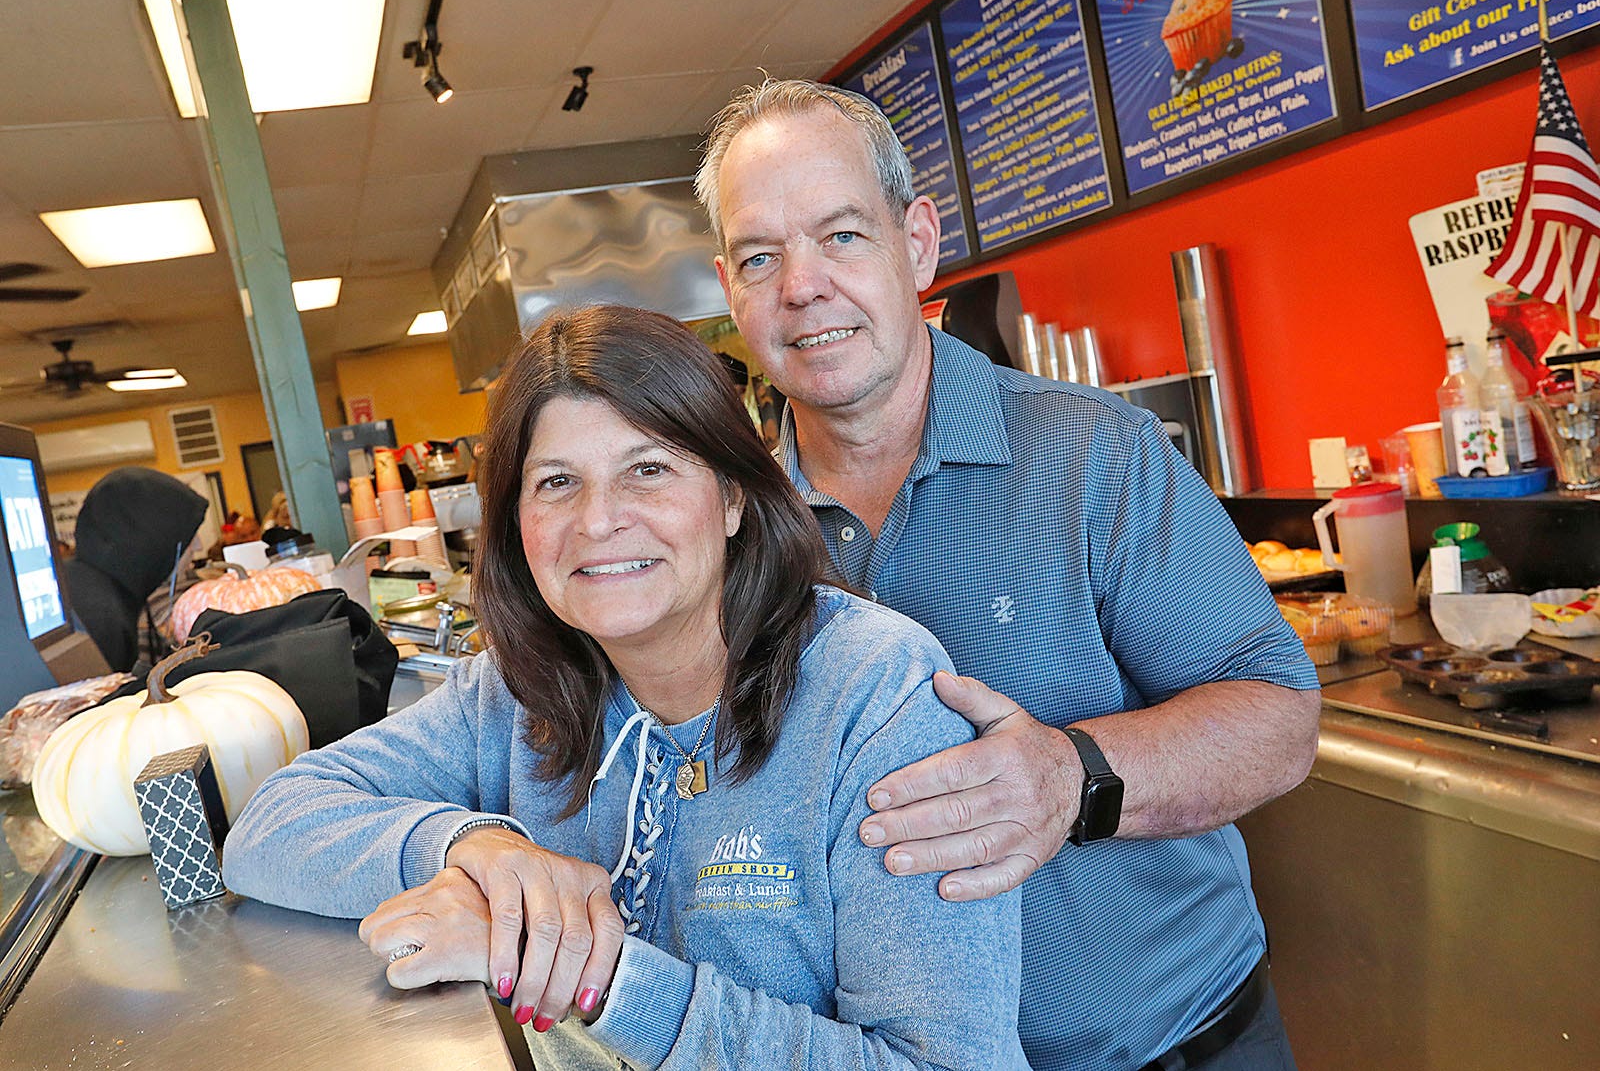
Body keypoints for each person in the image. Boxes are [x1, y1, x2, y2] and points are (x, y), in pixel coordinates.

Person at [696, 79, 1323, 1071]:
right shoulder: (724, 534)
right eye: (761, 255)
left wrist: (1069, 777)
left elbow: (1279, 722)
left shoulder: (1095, 459)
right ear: (728, 285)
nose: (801, 285)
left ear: (919, 242)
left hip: (1177, 1049)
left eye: (842, 236)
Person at [222, 305, 1027, 1070]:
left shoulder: (876, 697)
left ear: (735, 495)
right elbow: (266, 829)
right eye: (556, 483)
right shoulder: (516, 688)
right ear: (513, 524)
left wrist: (599, 978)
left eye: (647, 469)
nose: (598, 521)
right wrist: (480, 852)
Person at [61, 467, 208, 671]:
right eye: (188, 538)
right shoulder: (103, 618)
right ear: (153, 540)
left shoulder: (93, 588)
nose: (198, 547)